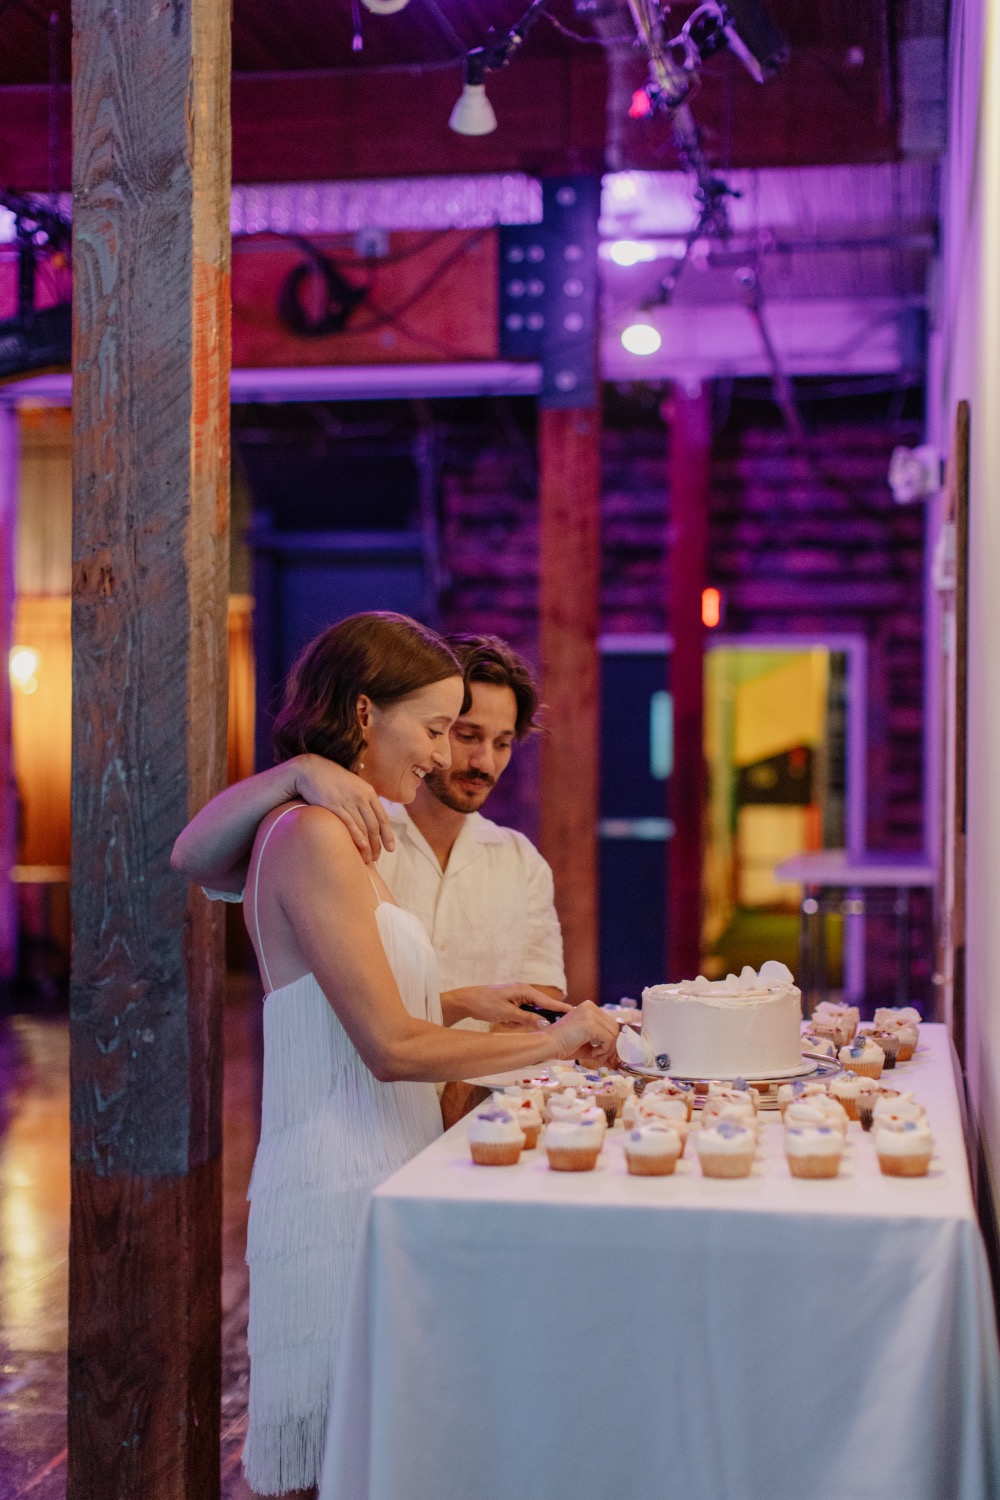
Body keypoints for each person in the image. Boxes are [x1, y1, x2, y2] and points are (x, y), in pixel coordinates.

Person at [173, 612, 616, 1500]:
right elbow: (385, 1044)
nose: (445, 752)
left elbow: (349, 1001)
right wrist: (559, 1040)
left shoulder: (347, 830)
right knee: (350, 1462)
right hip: (341, 1179)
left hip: (386, 1165)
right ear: (368, 714)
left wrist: (469, 1002)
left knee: (390, 1456)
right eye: (437, 728)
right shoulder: (310, 834)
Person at [173, 634, 567, 1025]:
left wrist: (465, 1083)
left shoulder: (521, 860)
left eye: (503, 743)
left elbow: (541, 994)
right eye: (466, 735)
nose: (485, 762)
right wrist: (299, 770)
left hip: (485, 1085)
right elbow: (194, 858)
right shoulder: (340, 827)